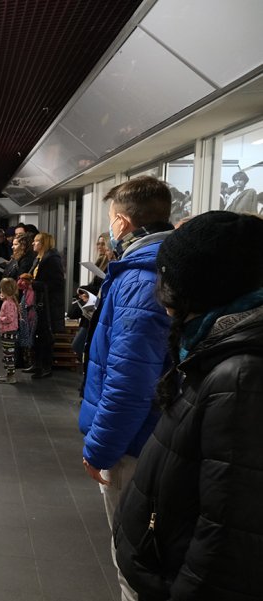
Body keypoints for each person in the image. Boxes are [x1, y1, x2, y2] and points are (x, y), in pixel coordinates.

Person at [114, 211, 263, 601]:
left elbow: (228, 531)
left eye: (169, 286)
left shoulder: (241, 376)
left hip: (169, 577)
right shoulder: (219, 350)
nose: (163, 303)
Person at [78, 175, 174, 601]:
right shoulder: (164, 267)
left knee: (132, 557)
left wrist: (99, 447)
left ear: (121, 222)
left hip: (136, 443)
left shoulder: (139, 278)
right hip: (160, 432)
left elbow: (130, 379)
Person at [25, 231, 65, 378]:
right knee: (36, 334)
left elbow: (57, 283)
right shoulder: (39, 259)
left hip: (47, 304)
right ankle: (36, 364)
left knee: (45, 336)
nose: (33, 243)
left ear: (44, 243)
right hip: (37, 301)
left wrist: (34, 284)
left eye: (36, 241)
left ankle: (46, 366)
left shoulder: (52, 259)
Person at [69, 232, 113, 359]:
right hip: (93, 307)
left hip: (98, 309)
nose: (100, 246)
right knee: (82, 346)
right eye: (98, 243)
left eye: (103, 243)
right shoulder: (100, 261)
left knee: (80, 345)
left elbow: (103, 287)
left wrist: (86, 289)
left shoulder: (109, 263)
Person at [0, 277, 19, 384]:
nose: (0, 291)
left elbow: (9, 319)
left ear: (5, 290)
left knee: (8, 356)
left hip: (9, 333)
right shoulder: (10, 301)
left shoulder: (8, 304)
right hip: (7, 333)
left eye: (2, 289)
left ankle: (11, 376)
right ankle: (8, 375)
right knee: (7, 354)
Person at [16, 273, 37, 369]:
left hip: (29, 318)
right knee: (24, 339)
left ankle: (29, 362)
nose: (20, 282)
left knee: (28, 339)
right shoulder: (26, 290)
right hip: (24, 319)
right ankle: (25, 361)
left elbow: (29, 304)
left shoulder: (31, 291)